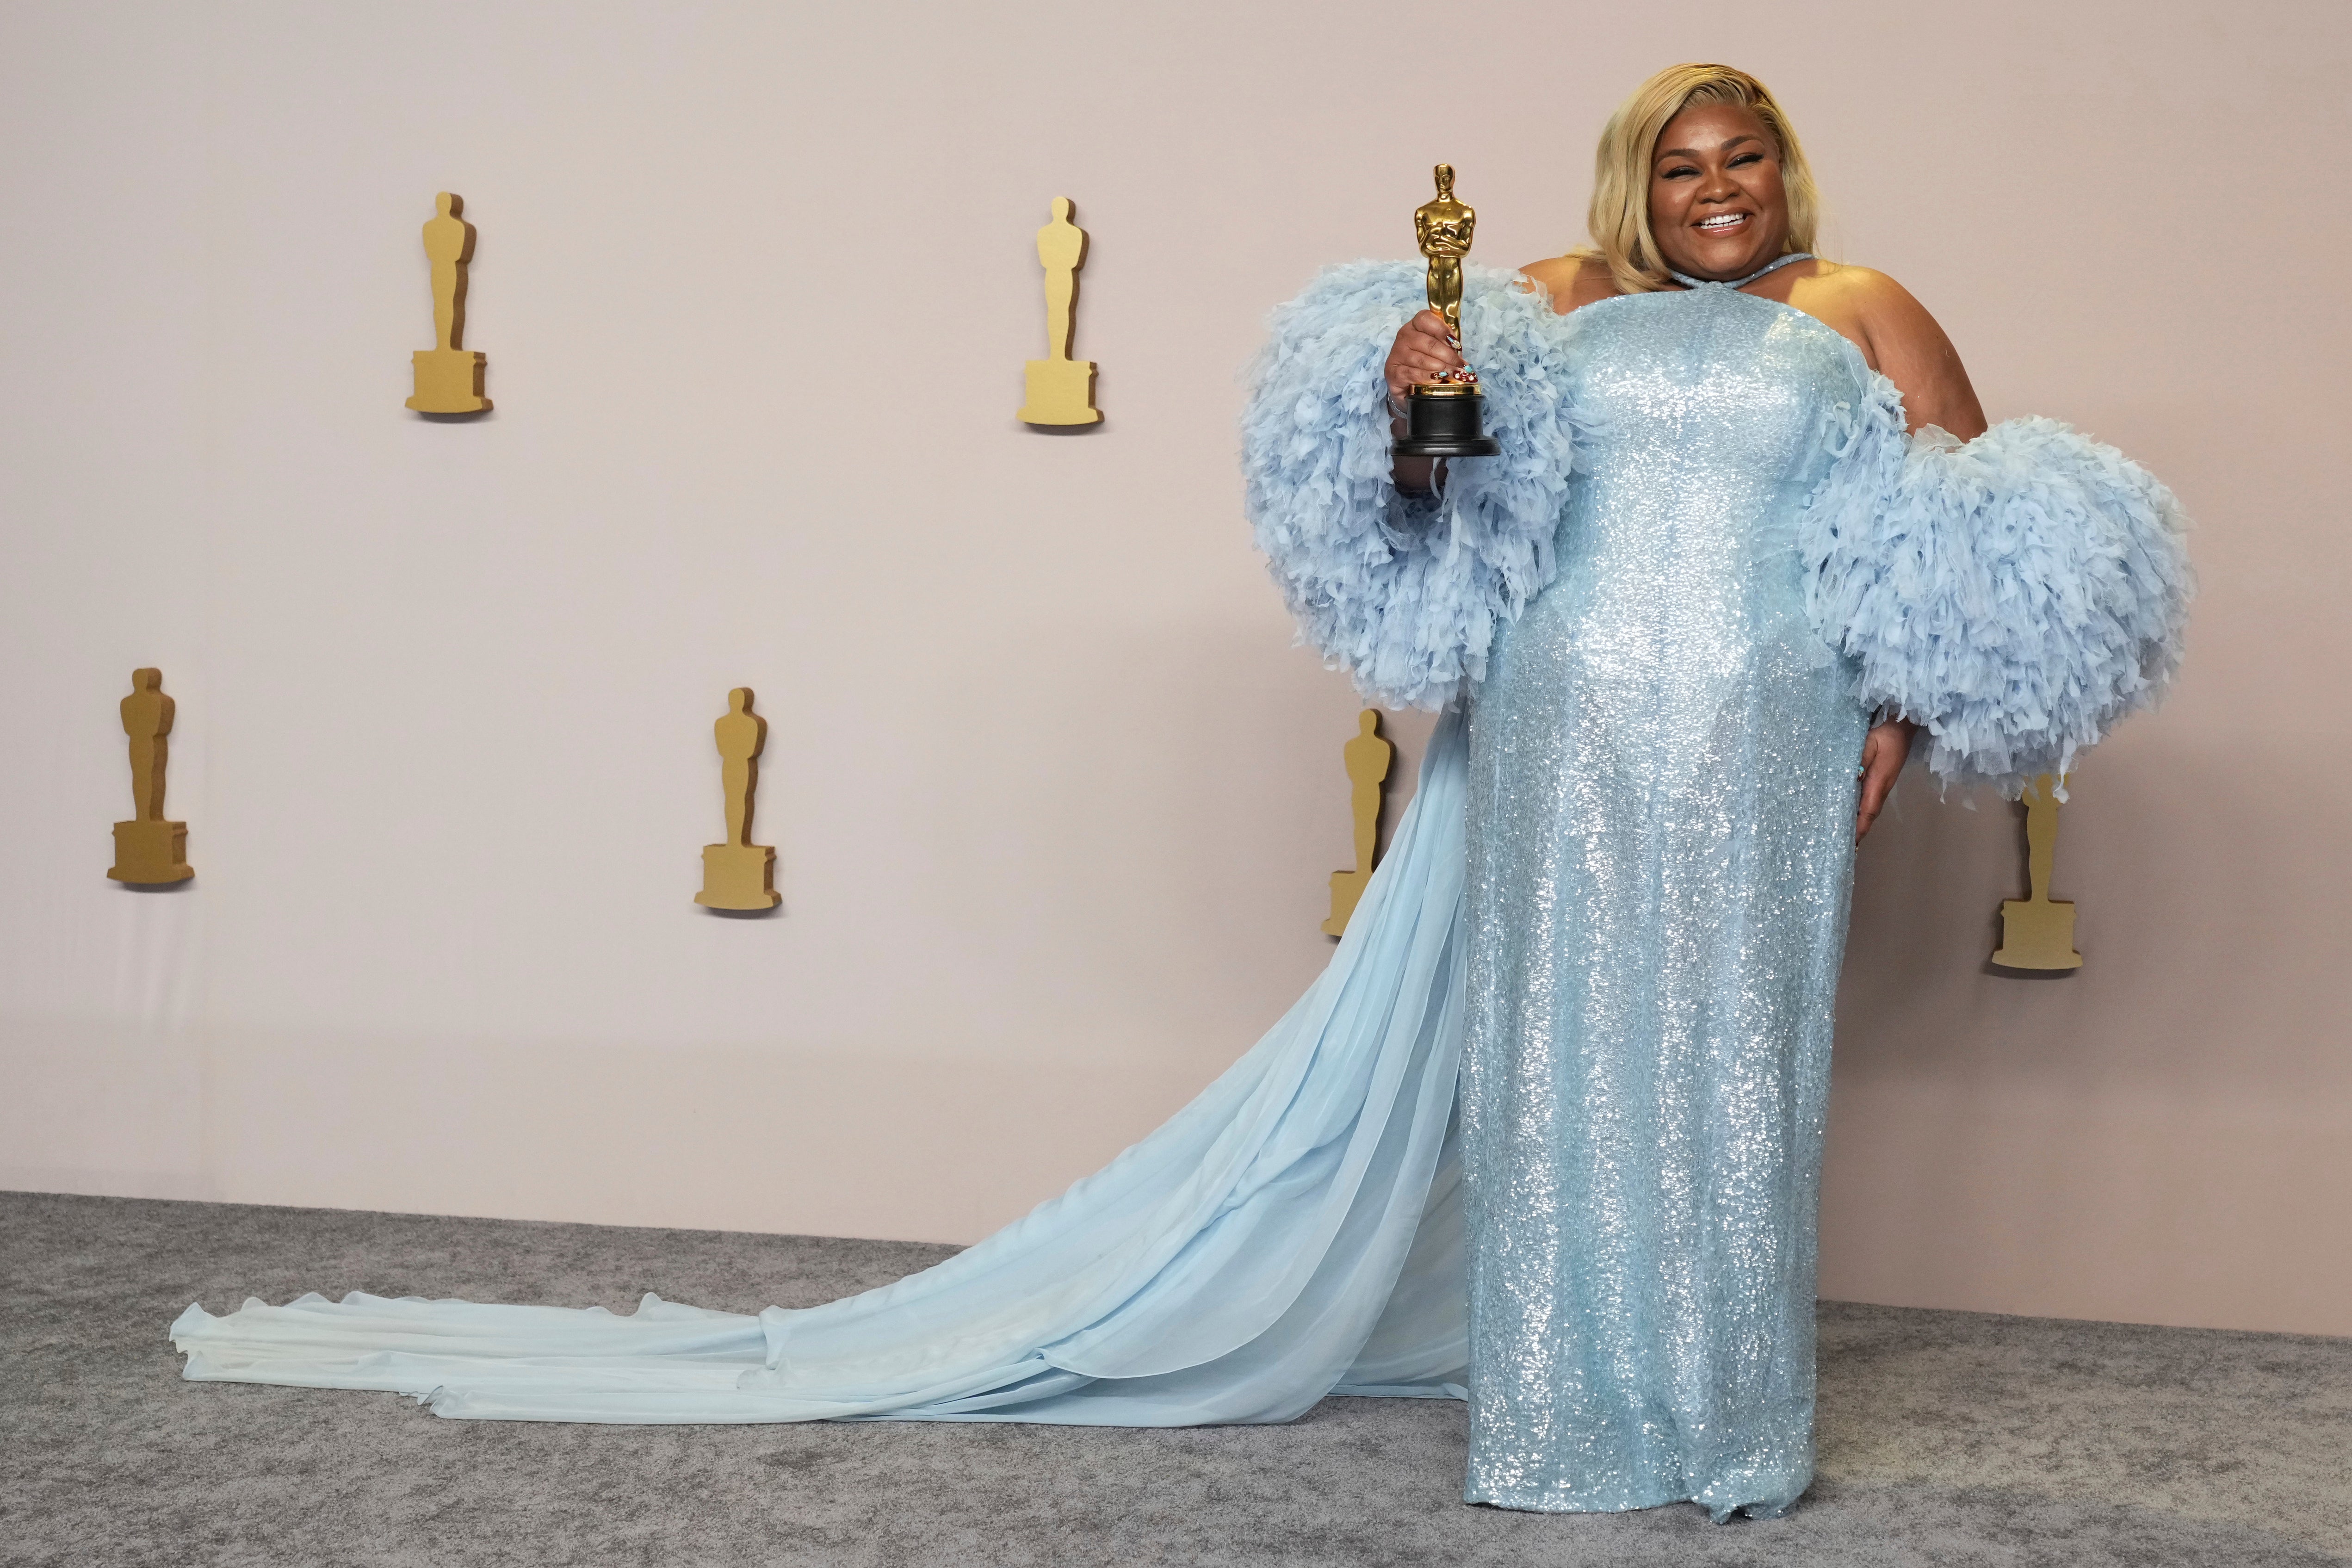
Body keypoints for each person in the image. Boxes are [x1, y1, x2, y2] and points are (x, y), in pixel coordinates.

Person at [171, 65, 2189, 1524]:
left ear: (1785, 175)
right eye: (1683, 161)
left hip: (1760, 737)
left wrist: (1894, 726)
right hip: (1562, 725)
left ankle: (1728, 1432)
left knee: (1733, 1074)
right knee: (1563, 1071)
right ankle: (1566, 1434)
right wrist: (1410, 409)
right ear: (1632, 182)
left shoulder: (1856, 316)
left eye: (1746, 157)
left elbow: (1963, 539)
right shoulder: (1545, 307)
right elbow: (1437, 505)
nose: (1720, 186)